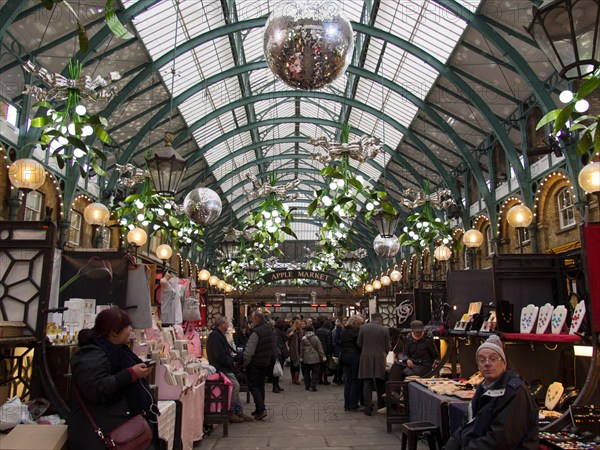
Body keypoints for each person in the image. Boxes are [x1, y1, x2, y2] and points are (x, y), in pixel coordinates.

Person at [69, 307, 157, 450]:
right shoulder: (92, 355)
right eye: (127, 327)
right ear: (114, 332)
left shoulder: (117, 350)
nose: (130, 330)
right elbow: (96, 389)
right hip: (100, 436)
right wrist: (130, 374)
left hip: (117, 429)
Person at [443, 335, 539, 450]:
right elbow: (465, 427)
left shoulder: (515, 391)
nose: (487, 363)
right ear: (478, 365)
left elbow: (500, 441)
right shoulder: (482, 388)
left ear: (504, 364)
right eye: (482, 360)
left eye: (493, 359)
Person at [206, 315, 254, 423]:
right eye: (227, 323)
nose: (228, 325)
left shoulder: (219, 335)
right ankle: (230, 411)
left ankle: (238, 411)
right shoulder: (215, 336)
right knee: (235, 386)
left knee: (234, 387)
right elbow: (219, 354)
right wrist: (229, 363)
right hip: (222, 368)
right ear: (222, 324)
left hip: (224, 367)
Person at [357, 313, 390, 416]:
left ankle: (368, 407)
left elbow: (359, 343)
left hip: (366, 357)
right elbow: (387, 346)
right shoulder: (385, 330)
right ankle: (381, 405)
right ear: (380, 320)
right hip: (380, 357)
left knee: (367, 382)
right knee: (380, 382)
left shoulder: (363, 328)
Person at [242, 310, 273, 420]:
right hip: (264, 362)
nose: (251, 320)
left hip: (255, 363)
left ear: (257, 319)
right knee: (260, 385)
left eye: (252, 318)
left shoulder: (256, 332)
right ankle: (259, 409)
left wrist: (245, 362)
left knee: (253, 386)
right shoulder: (268, 329)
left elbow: (249, 351)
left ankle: (261, 408)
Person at [340, 315, 363, 411]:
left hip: (345, 356)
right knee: (355, 380)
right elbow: (359, 344)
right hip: (354, 356)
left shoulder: (344, 331)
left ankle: (347, 404)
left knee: (348, 380)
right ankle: (353, 404)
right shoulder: (355, 331)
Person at [300, 325, 325, 391]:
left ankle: (307, 385)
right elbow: (320, 348)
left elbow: (302, 349)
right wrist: (323, 356)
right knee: (315, 372)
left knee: (306, 373)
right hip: (315, 358)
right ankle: (313, 385)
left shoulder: (303, 338)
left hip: (306, 358)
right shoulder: (316, 338)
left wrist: (301, 357)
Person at [272, 318, 289, 393]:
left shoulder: (278, 331)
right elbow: (275, 343)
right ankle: (275, 386)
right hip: (278, 352)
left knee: (279, 369)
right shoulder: (276, 331)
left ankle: (276, 385)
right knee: (277, 369)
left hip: (280, 351)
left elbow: (285, 338)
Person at [316, 319, 333, 385]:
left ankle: (319, 379)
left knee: (319, 365)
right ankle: (325, 379)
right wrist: (330, 352)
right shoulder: (328, 331)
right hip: (325, 350)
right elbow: (329, 343)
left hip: (318, 349)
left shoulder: (318, 330)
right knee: (325, 365)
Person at [332, 316, 347, 385]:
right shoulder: (339, 329)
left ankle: (338, 378)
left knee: (342, 364)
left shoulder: (346, 328)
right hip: (339, 349)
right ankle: (337, 378)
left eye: (346, 320)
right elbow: (336, 340)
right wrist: (343, 342)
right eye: (344, 320)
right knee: (339, 364)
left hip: (344, 348)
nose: (345, 321)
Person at [287, 319, 303, 385]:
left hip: (299, 350)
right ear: (295, 324)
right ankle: (293, 378)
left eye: (300, 325)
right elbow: (287, 340)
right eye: (299, 324)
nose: (300, 326)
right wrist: (290, 335)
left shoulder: (301, 331)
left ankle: (296, 379)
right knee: (293, 365)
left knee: (297, 365)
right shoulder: (290, 330)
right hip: (293, 350)